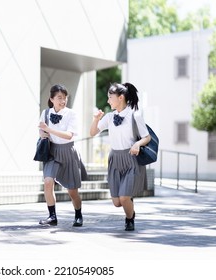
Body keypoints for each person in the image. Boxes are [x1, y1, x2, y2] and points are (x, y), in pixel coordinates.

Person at [89, 82, 151, 231]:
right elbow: (92, 133)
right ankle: (130, 206)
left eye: (110, 97)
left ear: (121, 97)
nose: (108, 101)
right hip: (115, 160)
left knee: (124, 198)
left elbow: (147, 137)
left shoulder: (135, 115)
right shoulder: (110, 117)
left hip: (130, 159)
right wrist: (96, 119)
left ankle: (129, 218)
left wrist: (137, 144)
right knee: (117, 202)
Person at [38, 84, 87, 227]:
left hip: (68, 152)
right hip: (52, 151)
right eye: (59, 97)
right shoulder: (45, 113)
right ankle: (52, 216)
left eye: (65, 98)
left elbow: (69, 135)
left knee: (72, 191)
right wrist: (43, 133)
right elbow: (42, 131)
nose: (63, 100)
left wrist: (49, 130)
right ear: (51, 99)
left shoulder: (71, 114)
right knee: (48, 182)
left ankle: (78, 215)